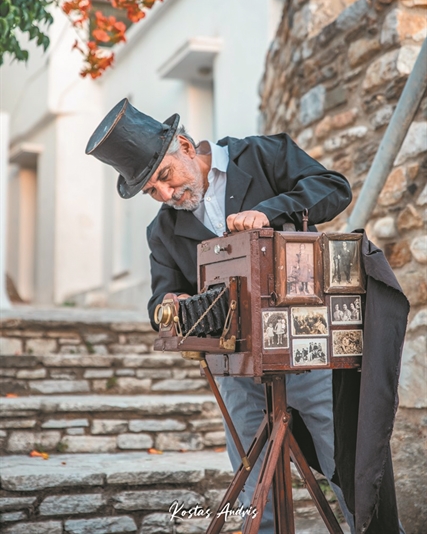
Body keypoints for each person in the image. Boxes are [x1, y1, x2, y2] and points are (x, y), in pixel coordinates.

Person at [85, 99, 356, 533]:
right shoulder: (162, 231)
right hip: (234, 366)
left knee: (346, 464)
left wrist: (269, 212)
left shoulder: (263, 155)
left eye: (165, 177)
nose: (166, 195)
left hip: (305, 343)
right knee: (254, 481)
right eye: (153, 191)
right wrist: (168, 306)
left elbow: (335, 187)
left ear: (187, 148)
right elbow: (159, 304)